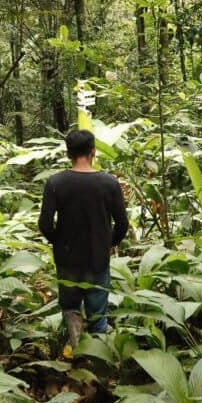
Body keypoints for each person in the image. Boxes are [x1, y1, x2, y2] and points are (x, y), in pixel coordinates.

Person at [38, 130, 128, 347]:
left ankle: (76, 351)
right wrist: (109, 242)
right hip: (97, 258)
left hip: (67, 259)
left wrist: (59, 242)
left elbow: (45, 224)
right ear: (93, 151)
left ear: (68, 153)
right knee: (98, 315)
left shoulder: (55, 182)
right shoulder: (109, 183)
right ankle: (98, 358)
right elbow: (122, 224)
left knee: (70, 309)